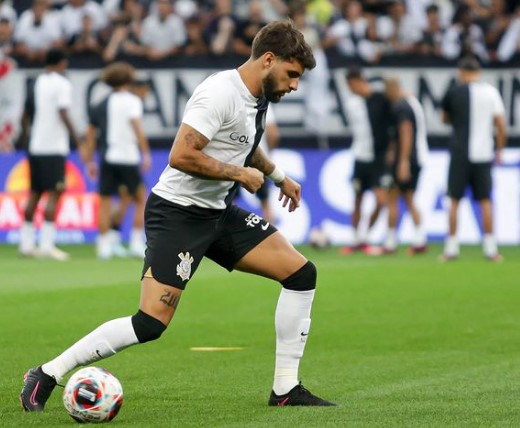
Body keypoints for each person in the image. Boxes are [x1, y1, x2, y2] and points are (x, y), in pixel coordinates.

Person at [20, 20, 335, 410]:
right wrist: (240, 174)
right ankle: (48, 372)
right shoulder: (218, 92)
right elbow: (181, 155)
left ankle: (286, 389)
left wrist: (278, 176)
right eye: (292, 74)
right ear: (268, 60)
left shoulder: (259, 95)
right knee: (149, 324)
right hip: (178, 215)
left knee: (301, 274)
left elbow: (243, 143)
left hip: (217, 213)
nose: (294, 85)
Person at [440, 56, 507, 261]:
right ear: (478, 72)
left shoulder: (453, 92)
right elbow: (501, 124)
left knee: (454, 200)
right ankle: (490, 249)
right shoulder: (490, 92)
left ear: (461, 72)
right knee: (485, 200)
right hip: (483, 153)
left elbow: (444, 119)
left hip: (459, 153)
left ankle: (451, 248)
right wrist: (500, 150)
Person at [82, 62, 151, 260]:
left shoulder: (100, 103)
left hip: (107, 157)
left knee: (105, 201)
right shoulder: (132, 101)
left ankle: (103, 246)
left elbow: (90, 134)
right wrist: (145, 154)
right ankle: (137, 242)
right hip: (128, 157)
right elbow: (137, 129)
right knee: (140, 199)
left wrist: (89, 161)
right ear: (127, 80)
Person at [18, 48, 81, 261]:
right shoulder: (62, 84)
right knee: (55, 192)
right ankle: (46, 245)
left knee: (35, 192)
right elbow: (63, 112)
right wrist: (77, 139)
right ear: (62, 63)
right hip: (54, 147)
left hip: (36, 146)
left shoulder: (35, 82)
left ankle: (26, 244)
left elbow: (24, 116)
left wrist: (26, 137)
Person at [341, 68, 392, 255]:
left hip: (378, 159)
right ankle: (356, 239)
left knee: (381, 200)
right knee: (358, 199)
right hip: (360, 157)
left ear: (359, 82)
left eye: (351, 85)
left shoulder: (380, 99)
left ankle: (366, 235)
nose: (349, 88)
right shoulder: (351, 103)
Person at [382, 77, 429, 255]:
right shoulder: (411, 103)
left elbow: (406, 132)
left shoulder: (400, 107)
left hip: (407, 159)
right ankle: (419, 238)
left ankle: (390, 241)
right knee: (408, 198)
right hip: (417, 157)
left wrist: (403, 161)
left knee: (392, 197)